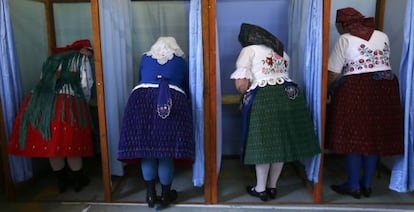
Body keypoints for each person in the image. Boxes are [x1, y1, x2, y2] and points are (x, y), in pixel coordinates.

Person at [230, 23, 321, 202]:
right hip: (289, 96)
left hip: (265, 97)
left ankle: (261, 188)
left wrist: (243, 95)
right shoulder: (281, 51)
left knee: (264, 144)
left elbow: (241, 84)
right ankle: (273, 187)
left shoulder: (249, 50)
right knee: (279, 144)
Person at [326, 7, 404, 199]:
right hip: (386, 87)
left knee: (353, 135)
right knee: (374, 135)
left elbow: (333, 74)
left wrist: (325, 91)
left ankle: (353, 185)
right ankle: (367, 184)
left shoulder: (345, 39)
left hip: (357, 89)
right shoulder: (382, 35)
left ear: (343, 24)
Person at [7, 39, 95, 193]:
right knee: (70, 145)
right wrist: (83, 104)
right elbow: (86, 84)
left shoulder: (50, 59)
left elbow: (43, 80)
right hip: (66, 103)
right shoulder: (82, 58)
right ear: (84, 49)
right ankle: (78, 181)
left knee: (51, 144)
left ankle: (61, 182)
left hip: (39, 103)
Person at [117, 37, 194, 208]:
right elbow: (187, 87)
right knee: (165, 152)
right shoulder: (180, 61)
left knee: (147, 151)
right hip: (171, 100)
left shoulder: (145, 57)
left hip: (140, 100)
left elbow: (140, 79)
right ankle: (166, 196)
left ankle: (150, 195)